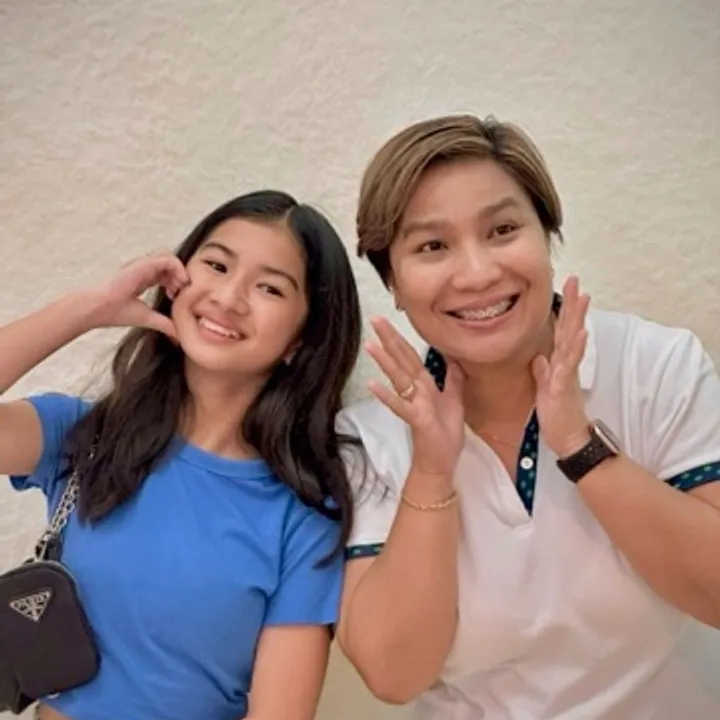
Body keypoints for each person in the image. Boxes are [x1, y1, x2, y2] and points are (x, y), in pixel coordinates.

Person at [335, 114, 720, 719]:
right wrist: (431, 472)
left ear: (548, 237)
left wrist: (580, 446)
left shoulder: (654, 364)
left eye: (503, 230)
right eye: (432, 246)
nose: (478, 273)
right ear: (395, 284)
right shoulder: (370, 437)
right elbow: (394, 673)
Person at [0, 190, 362, 720]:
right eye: (216, 265)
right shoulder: (83, 435)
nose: (229, 298)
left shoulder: (303, 511)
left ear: (301, 341)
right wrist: (88, 308)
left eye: (269, 287)